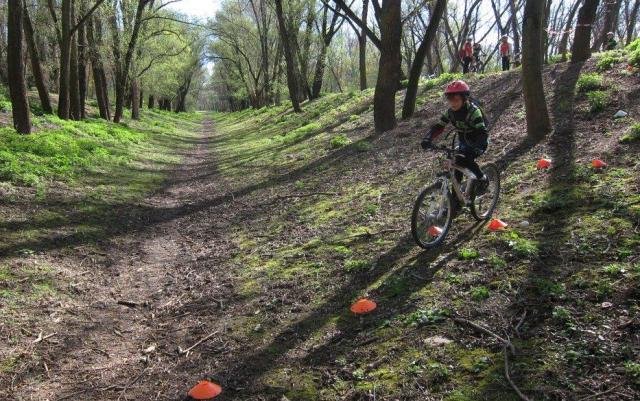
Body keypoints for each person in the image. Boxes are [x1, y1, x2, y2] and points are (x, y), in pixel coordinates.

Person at [421, 80, 489, 198]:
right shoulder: (450, 112)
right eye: (450, 100)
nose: (453, 103)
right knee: (456, 164)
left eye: (456, 100)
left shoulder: (474, 112)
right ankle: (456, 200)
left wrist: (476, 147)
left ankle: (482, 178)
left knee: (465, 159)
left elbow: (482, 132)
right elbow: (439, 127)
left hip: (478, 141)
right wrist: (428, 139)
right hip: (463, 141)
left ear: (464, 99)